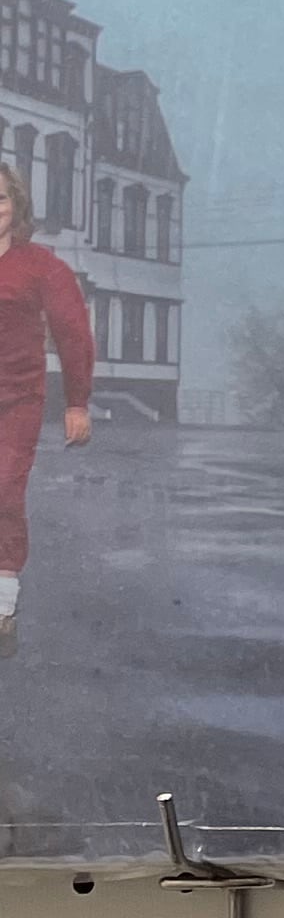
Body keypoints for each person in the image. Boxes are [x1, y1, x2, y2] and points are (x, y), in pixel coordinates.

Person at [0, 156, 94, 659]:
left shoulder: (40, 265)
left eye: (0, 198)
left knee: (4, 492)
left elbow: (72, 332)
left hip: (16, 399)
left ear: (16, 206)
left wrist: (77, 401)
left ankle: (2, 606)